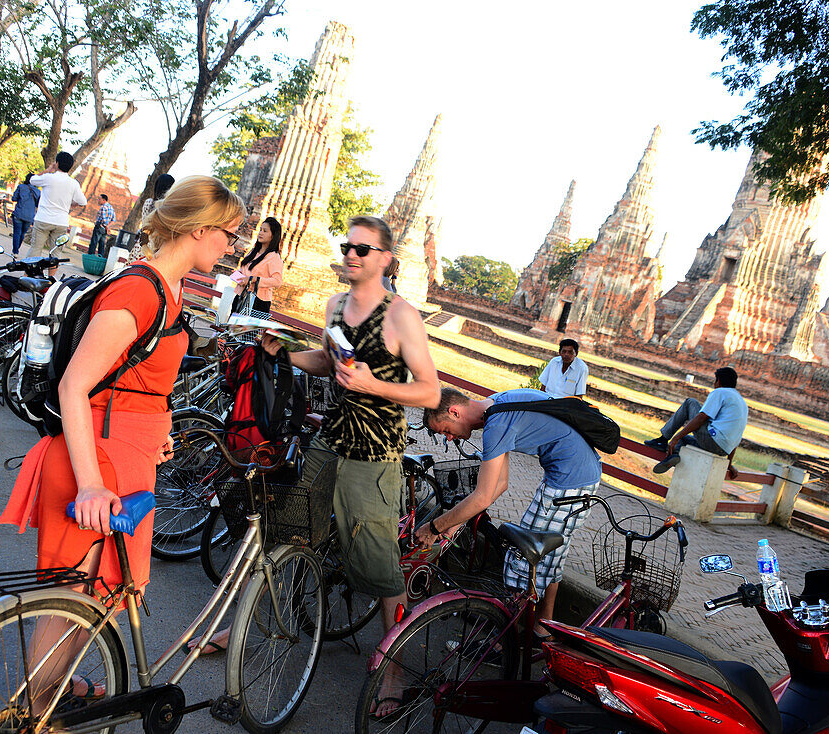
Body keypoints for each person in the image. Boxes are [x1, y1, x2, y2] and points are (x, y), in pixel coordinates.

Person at [0, 175, 245, 713]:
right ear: (201, 229)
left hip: (129, 452)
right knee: (73, 600)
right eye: (229, 234)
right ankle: (31, 711)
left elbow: (138, 383)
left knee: (106, 595)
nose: (232, 247)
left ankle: (50, 695)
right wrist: (89, 484)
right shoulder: (140, 289)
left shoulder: (172, 290)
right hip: (96, 459)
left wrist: (156, 433)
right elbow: (75, 385)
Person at [234, 215, 439, 664]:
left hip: (376, 450)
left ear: (384, 259)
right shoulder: (334, 306)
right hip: (332, 436)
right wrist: (284, 349)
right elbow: (329, 363)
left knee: (378, 559)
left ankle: (393, 661)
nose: (351, 254)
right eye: (348, 245)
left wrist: (372, 386)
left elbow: (430, 390)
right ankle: (245, 626)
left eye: (362, 249)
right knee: (290, 526)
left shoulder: (400, 315)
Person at [418, 387, 602, 637]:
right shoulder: (498, 404)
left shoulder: (496, 425)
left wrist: (434, 527)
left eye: (446, 431)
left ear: (454, 411)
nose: (449, 439)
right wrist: (454, 524)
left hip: (568, 484)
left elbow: (481, 496)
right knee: (552, 555)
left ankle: (501, 642)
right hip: (580, 476)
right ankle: (542, 629)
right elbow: (499, 486)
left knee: (522, 558)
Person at [644, 366, 748, 477]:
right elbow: (736, 435)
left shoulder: (720, 392)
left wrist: (675, 437)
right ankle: (674, 455)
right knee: (684, 439)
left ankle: (663, 439)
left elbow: (702, 417)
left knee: (690, 403)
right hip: (723, 450)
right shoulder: (742, 403)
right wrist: (729, 463)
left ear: (718, 381)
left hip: (712, 441)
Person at [28, 150, 87, 259]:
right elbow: (83, 201)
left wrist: (48, 170)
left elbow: (32, 180)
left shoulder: (49, 177)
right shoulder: (73, 183)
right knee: (55, 253)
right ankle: (51, 276)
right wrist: (72, 205)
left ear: (57, 163)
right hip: (61, 222)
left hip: (43, 219)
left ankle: (28, 274)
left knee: (35, 249)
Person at [231, 216, 284, 315]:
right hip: (240, 297)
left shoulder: (274, 257)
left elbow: (277, 281)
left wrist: (254, 279)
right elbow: (239, 272)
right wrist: (241, 280)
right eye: (260, 230)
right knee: (232, 328)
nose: (260, 233)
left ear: (273, 235)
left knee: (246, 330)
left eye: (265, 231)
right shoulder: (252, 252)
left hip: (257, 302)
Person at [131, 174, 175, 261]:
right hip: (158, 249)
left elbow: (144, 224)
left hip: (142, 246)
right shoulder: (169, 208)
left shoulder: (149, 203)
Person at [10, 173, 41, 255]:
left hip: (19, 213)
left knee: (17, 232)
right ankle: (17, 249)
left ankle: (15, 251)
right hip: (29, 216)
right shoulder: (38, 192)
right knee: (23, 233)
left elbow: (14, 198)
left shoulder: (21, 187)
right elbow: (38, 204)